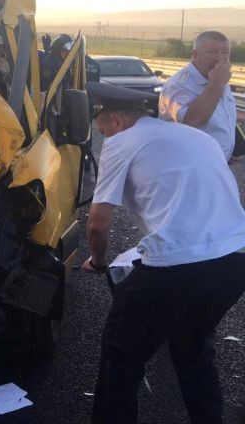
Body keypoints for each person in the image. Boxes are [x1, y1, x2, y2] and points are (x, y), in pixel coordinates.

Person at [83, 81, 245, 424]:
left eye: (100, 128)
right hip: (235, 261)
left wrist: (98, 262)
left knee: (120, 354)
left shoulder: (120, 142)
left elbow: (98, 223)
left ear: (115, 121)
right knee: (192, 347)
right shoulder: (198, 137)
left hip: (176, 268)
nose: (101, 135)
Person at [158, 30, 236, 160]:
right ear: (194, 55)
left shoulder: (217, 76)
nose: (219, 58)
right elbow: (191, 121)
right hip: (188, 165)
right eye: (211, 52)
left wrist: (226, 150)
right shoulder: (179, 85)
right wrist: (216, 84)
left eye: (225, 53)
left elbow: (219, 123)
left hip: (216, 163)